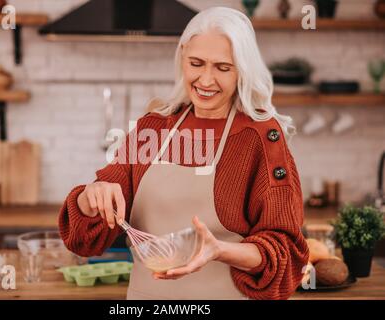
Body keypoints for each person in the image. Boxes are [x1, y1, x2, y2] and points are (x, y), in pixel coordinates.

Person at [58, 7, 309, 300]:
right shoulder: (151, 128)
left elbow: (287, 252)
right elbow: (83, 240)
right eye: (196, 63)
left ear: (242, 69)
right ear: (182, 60)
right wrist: (90, 198)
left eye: (223, 67)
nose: (206, 79)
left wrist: (220, 251)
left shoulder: (261, 137)